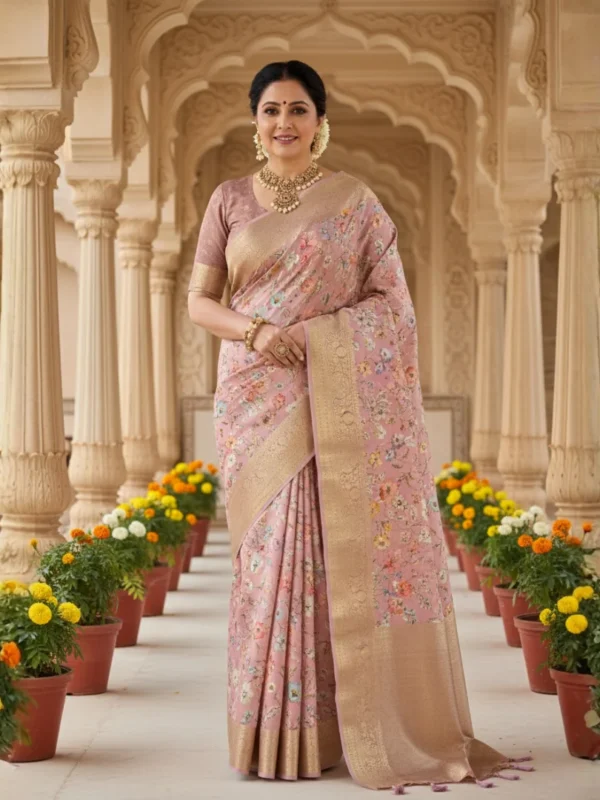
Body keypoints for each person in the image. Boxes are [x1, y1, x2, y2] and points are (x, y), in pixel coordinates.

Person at [188, 60, 509, 790]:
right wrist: (258, 333)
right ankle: (267, 733)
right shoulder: (230, 201)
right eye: (271, 111)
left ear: (319, 121)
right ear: (255, 122)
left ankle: (331, 729)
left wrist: (324, 339)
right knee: (268, 562)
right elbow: (199, 304)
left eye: (298, 110)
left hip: (331, 390)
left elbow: (392, 307)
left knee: (326, 559)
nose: (283, 124)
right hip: (254, 391)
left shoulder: (355, 203)